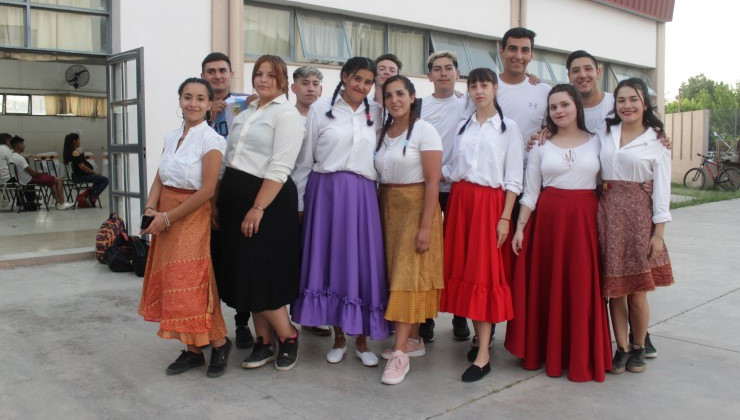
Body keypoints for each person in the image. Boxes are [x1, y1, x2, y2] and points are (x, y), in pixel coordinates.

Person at [506, 84, 612, 382]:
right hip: (548, 225)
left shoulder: (598, 141)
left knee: (580, 287)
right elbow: (530, 192)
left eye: (564, 104)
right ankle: (544, 351)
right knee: (547, 287)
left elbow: (614, 171)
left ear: (576, 106)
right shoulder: (540, 145)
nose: (559, 111)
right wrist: (520, 228)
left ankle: (578, 354)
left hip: (583, 224)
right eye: (553, 107)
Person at [291, 57, 391, 367]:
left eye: (368, 81)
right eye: (357, 78)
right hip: (326, 195)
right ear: (345, 77)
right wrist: (301, 204)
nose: (362, 86)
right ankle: (337, 337)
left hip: (363, 196)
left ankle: (361, 340)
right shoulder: (321, 110)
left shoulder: (377, 111)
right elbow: (305, 161)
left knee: (361, 266)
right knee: (331, 263)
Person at [215, 55, 304, 371]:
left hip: (267, 201)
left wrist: (258, 207)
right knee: (245, 272)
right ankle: (263, 341)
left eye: (271, 75)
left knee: (262, 271)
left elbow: (281, 166)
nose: (263, 79)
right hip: (234, 200)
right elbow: (229, 158)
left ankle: (288, 335)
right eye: (259, 74)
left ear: (282, 80)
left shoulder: (288, 115)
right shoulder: (245, 112)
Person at [137, 77, 231, 378]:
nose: (193, 103)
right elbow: (161, 176)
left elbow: (206, 191)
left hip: (190, 216)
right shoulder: (170, 136)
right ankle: (192, 349)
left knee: (192, 281)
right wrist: (151, 208)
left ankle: (217, 343)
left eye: (200, 98)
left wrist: (167, 217)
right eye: (188, 97)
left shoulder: (212, 140)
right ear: (180, 100)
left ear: (208, 105)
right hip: (165, 214)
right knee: (172, 284)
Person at [441, 68, 523, 382]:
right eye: (473, 85)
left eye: (484, 85)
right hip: (461, 202)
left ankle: (484, 354)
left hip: (490, 205)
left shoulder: (508, 128)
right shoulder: (461, 125)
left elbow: (514, 175)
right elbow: (450, 166)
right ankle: (481, 341)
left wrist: (505, 217)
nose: (478, 91)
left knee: (484, 276)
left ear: (495, 89)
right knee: (467, 274)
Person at [599, 78, 674, 374]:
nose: (627, 105)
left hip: (639, 219)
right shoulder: (605, 132)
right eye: (621, 100)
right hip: (605, 215)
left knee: (637, 291)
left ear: (645, 104)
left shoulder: (657, 142)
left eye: (633, 99)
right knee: (615, 290)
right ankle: (622, 347)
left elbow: (662, 191)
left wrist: (658, 233)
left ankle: (639, 346)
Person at [375, 75, 444, 384]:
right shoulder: (383, 132)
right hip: (387, 206)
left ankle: (400, 353)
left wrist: (426, 225)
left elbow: (433, 182)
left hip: (416, 205)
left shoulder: (425, 131)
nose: (394, 100)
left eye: (400, 93)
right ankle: (414, 340)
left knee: (407, 277)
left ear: (413, 96)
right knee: (396, 274)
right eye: (388, 95)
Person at [416, 51, 472, 343]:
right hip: (426, 189)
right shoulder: (419, 105)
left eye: (448, 68)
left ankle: (460, 316)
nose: (443, 73)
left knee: (457, 254)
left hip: (458, 189)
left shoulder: (468, 103)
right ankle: (426, 318)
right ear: (429, 76)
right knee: (426, 252)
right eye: (437, 69)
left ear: (457, 72)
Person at [202, 51, 256, 350]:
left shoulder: (245, 103)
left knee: (239, 260)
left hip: (236, 191)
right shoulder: (197, 104)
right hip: (204, 195)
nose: (217, 76)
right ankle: (209, 325)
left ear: (231, 73)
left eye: (222, 70)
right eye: (211, 71)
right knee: (208, 264)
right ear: (203, 75)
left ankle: (241, 322)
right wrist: (208, 117)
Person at [289, 65, 332, 338]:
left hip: (315, 196)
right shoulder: (285, 116)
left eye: (316, 83)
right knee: (291, 258)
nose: (311, 88)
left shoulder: (327, 117)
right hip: (284, 193)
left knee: (313, 257)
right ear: (293, 87)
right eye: (305, 82)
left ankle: (311, 315)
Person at [9, 136, 72, 210]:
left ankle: (58, 203)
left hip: (22, 180)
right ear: (18, 145)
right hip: (28, 180)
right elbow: (33, 174)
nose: (24, 146)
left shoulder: (13, 156)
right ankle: (62, 203)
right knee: (59, 179)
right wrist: (44, 174)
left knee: (52, 181)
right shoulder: (19, 158)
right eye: (23, 144)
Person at [63, 132, 109, 206]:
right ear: (75, 141)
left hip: (79, 176)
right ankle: (93, 197)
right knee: (105, 180)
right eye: (79, 139)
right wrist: (93, 172)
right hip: (80, 177)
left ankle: (84, 195)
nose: (80, 141)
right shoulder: (75, 152)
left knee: (99, 180)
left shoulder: (71, 151)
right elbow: (82, 167)